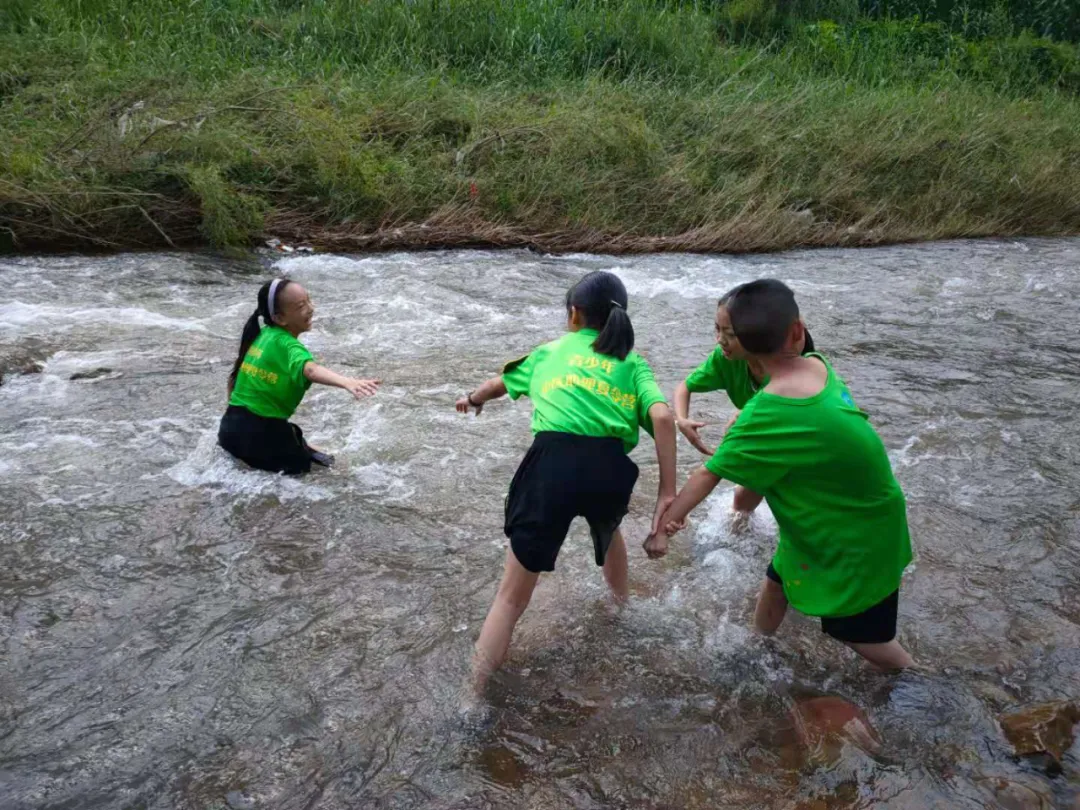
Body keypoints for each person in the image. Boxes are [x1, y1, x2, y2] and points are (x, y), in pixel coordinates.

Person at [648, 280, 913, 670]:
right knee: (777, 581)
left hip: (852, 536)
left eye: (726, 332)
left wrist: (665, 524)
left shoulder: (769, 410)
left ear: (740, 347)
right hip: (848, 515)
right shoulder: (816, 365)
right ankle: (757, 648)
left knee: (859, 635)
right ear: (797, 332)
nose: (719, 339)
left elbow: (709, 474)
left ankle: (916, 679)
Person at [457, 270, 677, 694]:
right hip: (610, 469)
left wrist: (472, 399)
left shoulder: (549, 351)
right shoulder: (632, 362)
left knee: (510, 598)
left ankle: (473, 695)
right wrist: (668, 491)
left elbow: (498, 385)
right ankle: (619, 609)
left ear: (574, 315)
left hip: (552, 465)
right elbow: (662, 417)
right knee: (609, 529)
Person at [673, 284, 815, 520]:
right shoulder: (725, 360)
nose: (721, 340)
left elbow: (712, 472)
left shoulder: (788, 364)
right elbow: (684, 387)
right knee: (742, 501)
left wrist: (746, 415)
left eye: (731, 334)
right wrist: (682, 420)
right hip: (760, 428)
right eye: (717, 330)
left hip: (793, 434)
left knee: (791, 498)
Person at [218, 278, 380, 474]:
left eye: (309, 300)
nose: (311, 308)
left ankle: (305, 450)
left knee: (294, 438)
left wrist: (235, 424)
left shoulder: (261, 335)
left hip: (230, 431)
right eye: (301, 306)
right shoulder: (288, 345)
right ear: (279, 318)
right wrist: (347, 382)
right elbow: (310, 370)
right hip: (261, 437)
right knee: (317, 478)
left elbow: (232, 380)